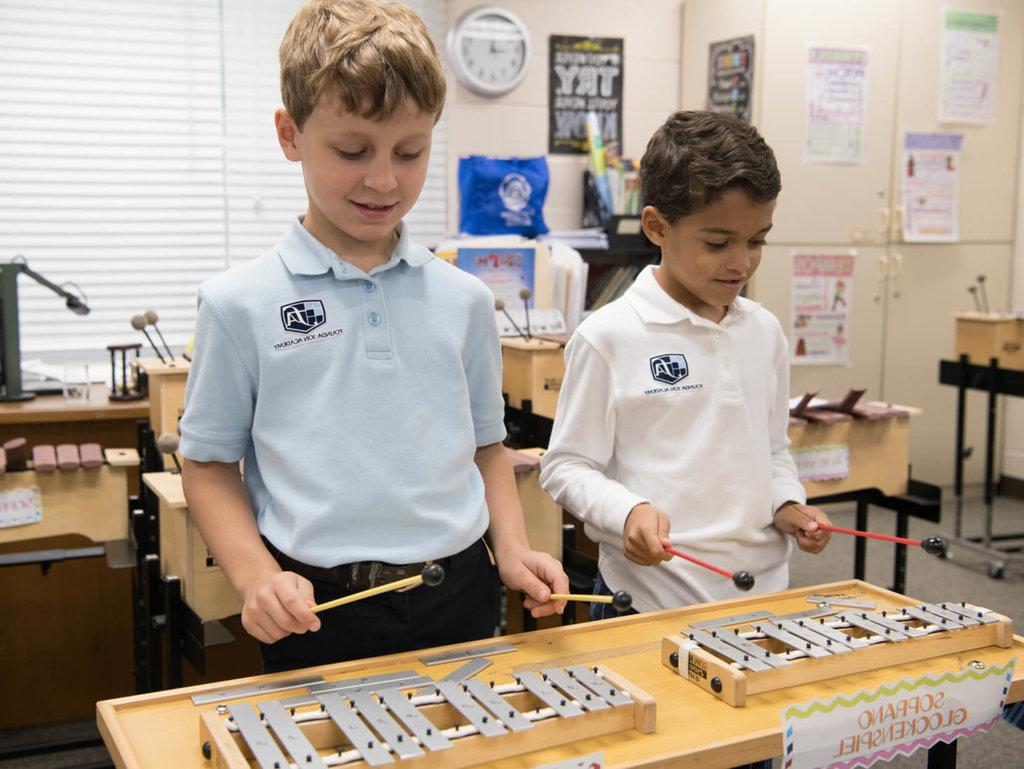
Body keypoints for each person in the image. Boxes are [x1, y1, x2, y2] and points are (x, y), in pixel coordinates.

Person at [179, 0, 567, 674]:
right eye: (353, 150)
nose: (385, 179)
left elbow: (486, 448)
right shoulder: (238, 303)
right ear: (290, 134)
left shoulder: (466, 300)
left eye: (410, 152)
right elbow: (208, 465)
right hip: (319, 606)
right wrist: (256, 577)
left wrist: (512, 547)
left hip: (462, 592)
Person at [540, 110, 832, 625]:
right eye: (717, 243)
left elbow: (772, 449)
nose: (741, 262)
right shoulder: (609, 335)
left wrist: (788, 503)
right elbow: (565, 466)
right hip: (652, 600)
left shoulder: (763, 332)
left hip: (762, 598)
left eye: (757, 240)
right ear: (657, 227)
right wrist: (627, 512)